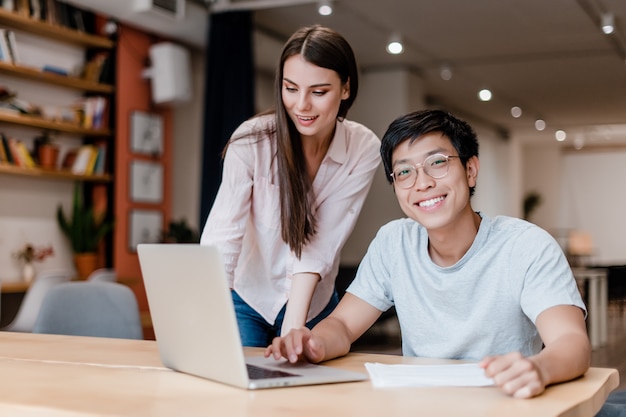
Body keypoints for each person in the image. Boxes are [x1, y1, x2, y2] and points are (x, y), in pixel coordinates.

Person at [265, 109, 591, 399]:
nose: (421, 183)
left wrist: (540, 369)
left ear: (471, 169)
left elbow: (570, 341)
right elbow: (343, 326)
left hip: (503, 402)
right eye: (404, 172)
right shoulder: (394, 242)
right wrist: (313, 344)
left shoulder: (525, 246)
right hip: (420, 404)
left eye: (437, 163)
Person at [200, 25, 380, 347]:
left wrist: (293, 331)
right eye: (291, 88)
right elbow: (223, 236)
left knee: (304, 390)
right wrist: (208, 317)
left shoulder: (362, 148)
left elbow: (320, 244)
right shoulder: (251, 141)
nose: (301, 105)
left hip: (313, 305)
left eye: (319, 92)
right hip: (248, 298)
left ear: (345, 89)